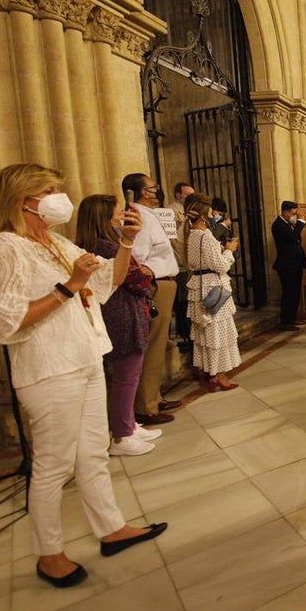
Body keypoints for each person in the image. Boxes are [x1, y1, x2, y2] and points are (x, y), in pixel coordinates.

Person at [0, 164, 167, 588]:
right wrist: (69, 285)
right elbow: (8, 321)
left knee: (92, 452)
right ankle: (49, 554)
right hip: (49, 369)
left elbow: (109, 281)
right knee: (53, 465)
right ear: (24, 199)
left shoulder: (56, 241)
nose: (57, 197)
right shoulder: (8, 248)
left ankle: (111, 528)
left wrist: (125, 241)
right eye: (48, 190)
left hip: (85, 358)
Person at [75, 194, 161, 456]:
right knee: (126, 374)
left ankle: (128, 425)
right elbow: (136, 279)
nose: (123, 214)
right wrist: (144, 273)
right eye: (118, 211)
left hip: (119, 311)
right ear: (104, 217)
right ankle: (122, 435)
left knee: (127, 374)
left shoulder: (99, 244)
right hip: (122, 313)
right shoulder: (107, 246)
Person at [121, 173, 181, 425]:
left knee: (158, 345)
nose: (158, 191)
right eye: (154, 187)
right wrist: (152, 278)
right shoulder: (138, 217)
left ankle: (154, 396)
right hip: (155, 285)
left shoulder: (148, 215)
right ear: (144, 192)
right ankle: (145, 406)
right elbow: (138, 258)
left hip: (163, 283)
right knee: (152, 346)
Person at [184, 193, 241, 392]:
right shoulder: (205, 235)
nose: (212, 213)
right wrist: (229, 250)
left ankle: (206, 371)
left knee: (205, 334)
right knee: (217, 333)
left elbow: (194, 262)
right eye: (209, 209)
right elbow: (219, 265)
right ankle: (218, 375)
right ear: (203, 212)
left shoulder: (191, 234)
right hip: (213, 287)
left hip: (200, 284)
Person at [272, 200, 306, 331]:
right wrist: (301, 222)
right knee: (288, 293)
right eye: (294, 213)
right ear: (286, 212)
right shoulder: (278, 225)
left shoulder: (288, 224)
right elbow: (293, 238)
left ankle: (292, 318)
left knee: (295, 292)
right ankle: (285, 321)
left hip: (295, 264)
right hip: (286, 265)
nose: (295, 216)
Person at [170, 181, 195, 352]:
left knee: (186, 299)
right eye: (188, 195)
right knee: (181, 301)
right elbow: (175, 240)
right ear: (178, 195)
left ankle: (187, 331)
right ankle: (184, 332)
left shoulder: (187, 212)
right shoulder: (171, 211)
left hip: (187, 261)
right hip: (179, 261)